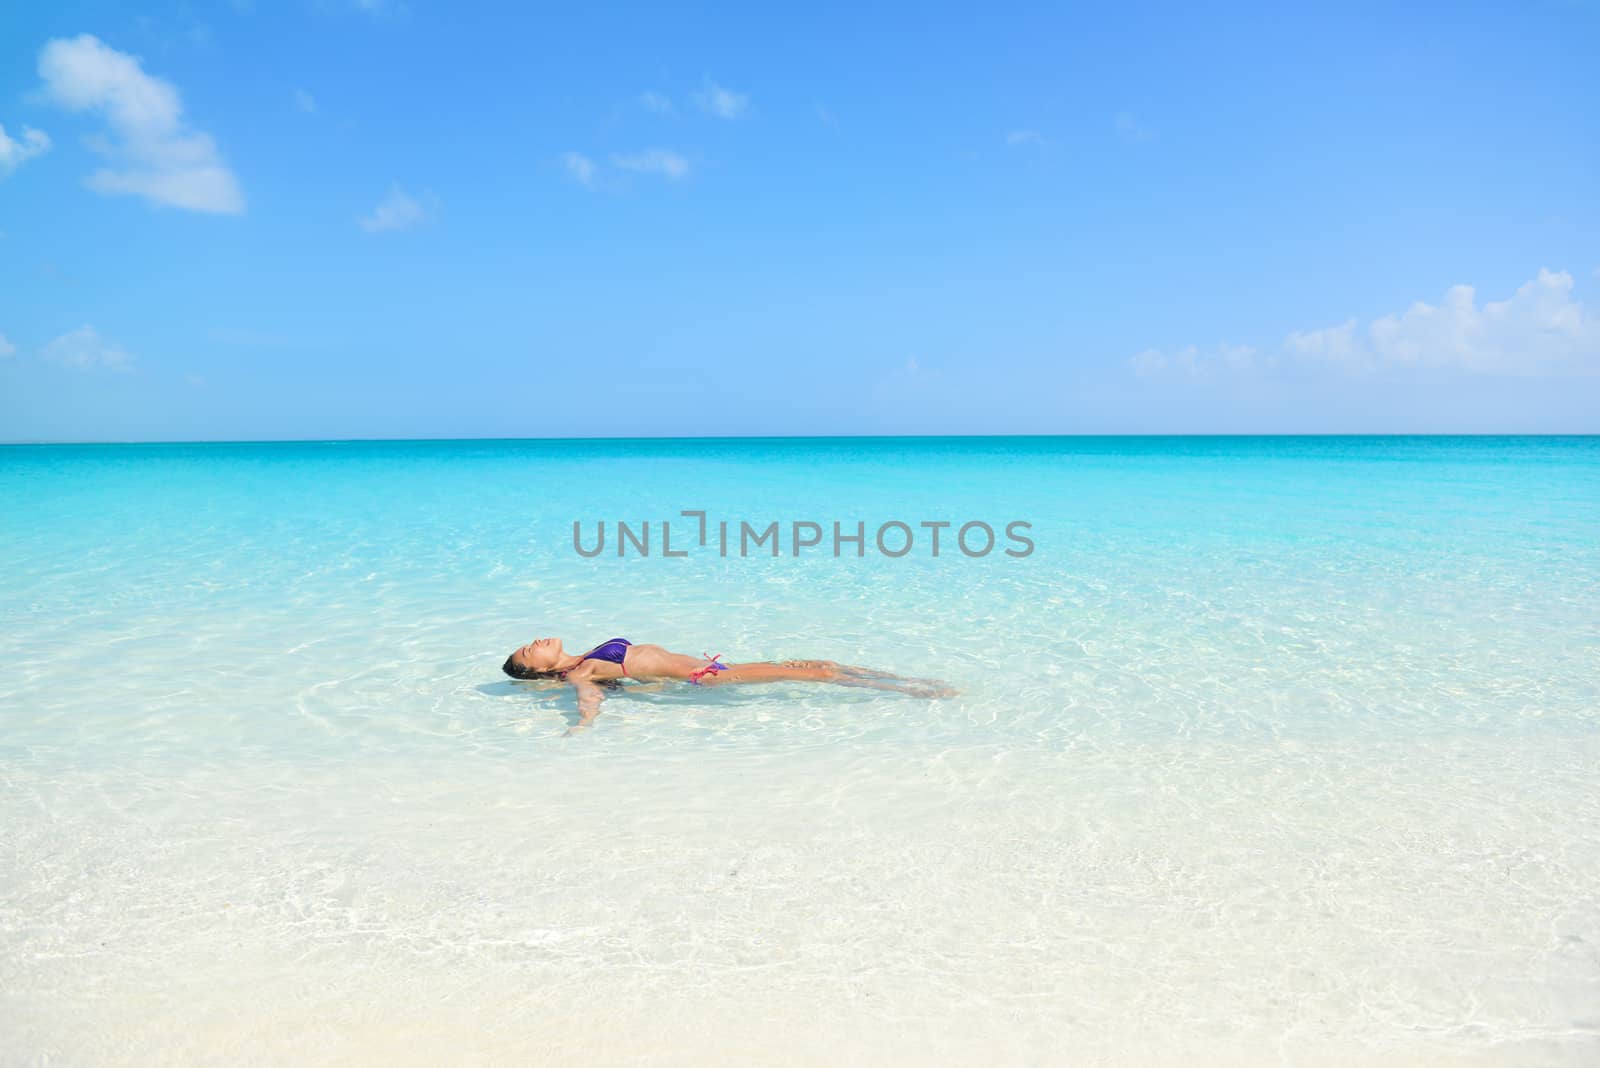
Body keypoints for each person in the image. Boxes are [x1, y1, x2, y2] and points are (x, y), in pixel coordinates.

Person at [503, 635, 955, 728]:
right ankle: (914, 691)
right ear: (541, 669)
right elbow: (589, 696)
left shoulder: (583, 655)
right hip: (709, 677)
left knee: (819, 661)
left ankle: (907, 679)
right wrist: (581, 725)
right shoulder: (581, 672)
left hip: (710, 668)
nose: (535, 641)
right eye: (530, 650)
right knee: (818, 674)